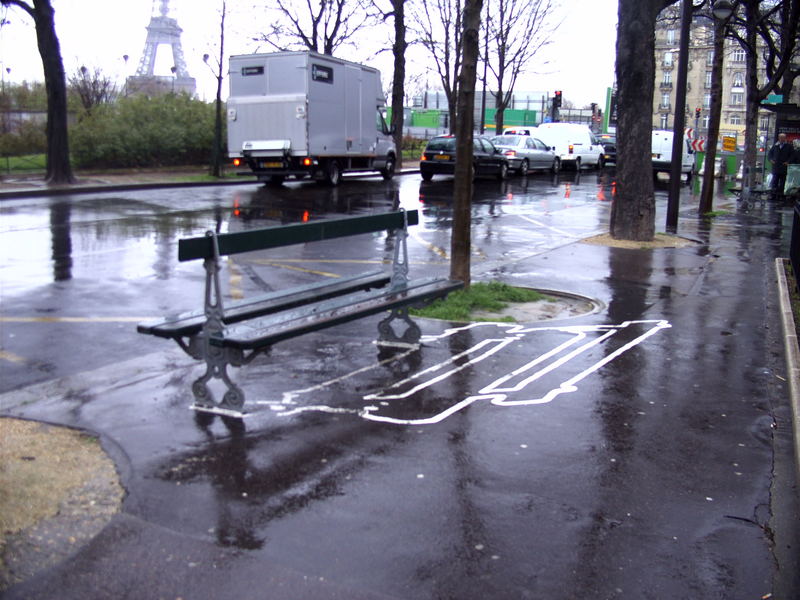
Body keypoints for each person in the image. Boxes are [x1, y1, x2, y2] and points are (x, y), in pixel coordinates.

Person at [767, 133, 793, 198]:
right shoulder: (775, 146)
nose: (782, 139)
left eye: (783, 138)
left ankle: (781, 195)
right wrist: (771, 160)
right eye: (780, 138)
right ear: (778, 138)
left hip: (783, 167)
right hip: (776, 167)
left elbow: (792, 156)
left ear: (785, 138)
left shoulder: (789, 146)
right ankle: (773, 195)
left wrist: (788, 162)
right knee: (774, 181)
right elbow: (770, 154)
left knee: (782, 182)